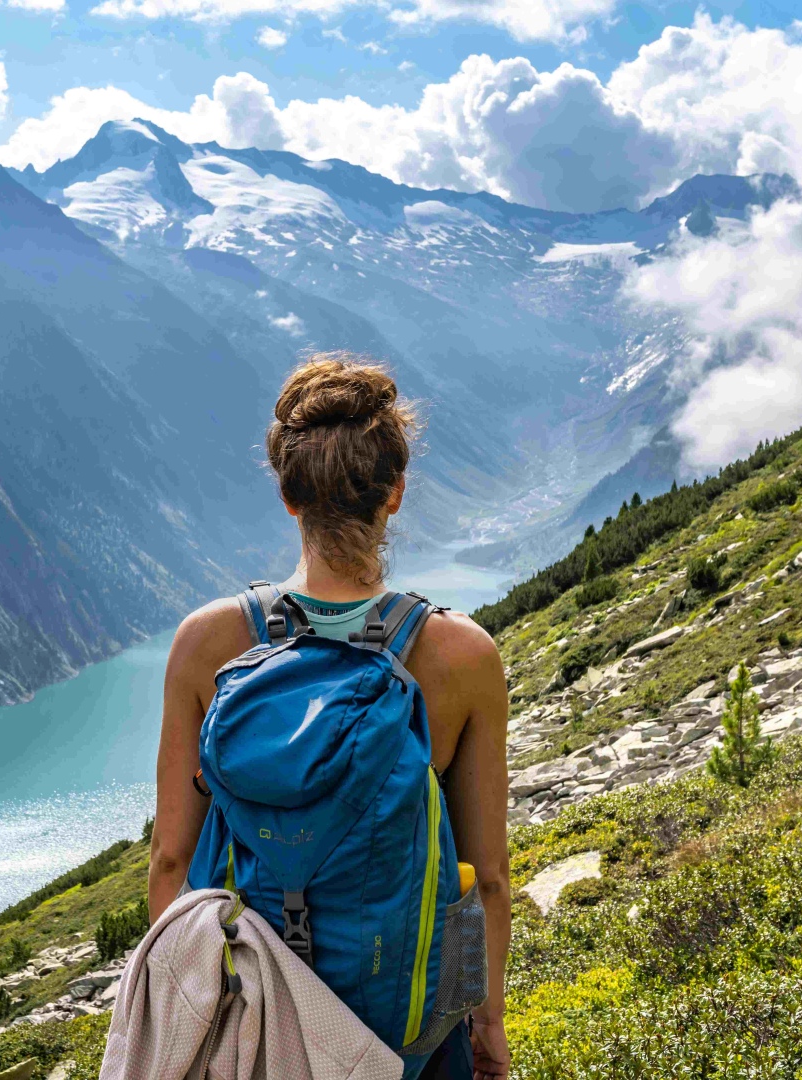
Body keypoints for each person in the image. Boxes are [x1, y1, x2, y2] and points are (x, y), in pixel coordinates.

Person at [148, 354, 512, 1080]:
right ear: (396, 495)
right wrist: (488, 1024)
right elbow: (486, 879)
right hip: (404, 1040)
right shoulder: (460, 657)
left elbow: (170, 864)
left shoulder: (208, 642)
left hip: (252, 1032)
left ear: (289, 497)